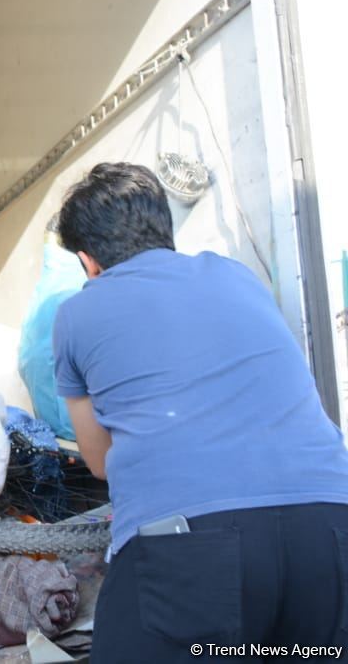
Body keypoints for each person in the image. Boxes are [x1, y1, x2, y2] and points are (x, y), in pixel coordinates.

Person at [53, 162, 348, 662]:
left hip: (193, 547)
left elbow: (99, 461)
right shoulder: (238, 276)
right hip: (330, 532)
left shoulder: (77, 313)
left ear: (89, 261)